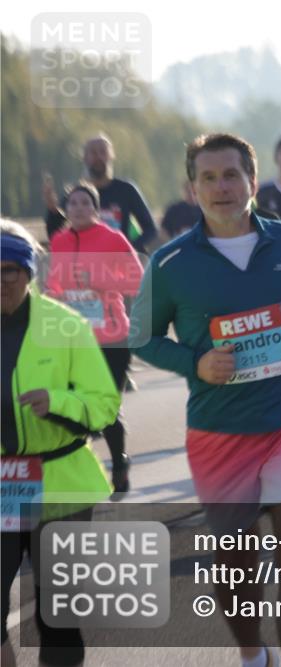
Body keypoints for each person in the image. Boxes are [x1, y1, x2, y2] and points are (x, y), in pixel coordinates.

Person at [129, 133, 281, 667]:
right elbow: (142, 337)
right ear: (192, 186)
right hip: (219, 429)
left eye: (231, 175)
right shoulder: (170, 263)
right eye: (208, 177)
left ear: (252, 179)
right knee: (234, 559)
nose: (221, 187)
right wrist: (193, 362)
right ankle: (252, 655)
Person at [2, 220, 120, 667]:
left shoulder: (64, 325)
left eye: (9, 270)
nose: (0, 280)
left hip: (62, 480)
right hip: (3, 482)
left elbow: (104, 405)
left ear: (28, 272)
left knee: (58, 613)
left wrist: (57, 401)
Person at [46, 181, 144, 496]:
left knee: (106, 406)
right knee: (76, 406)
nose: (78, 208)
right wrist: (51, 296)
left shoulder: (112, 239)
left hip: (112, 338)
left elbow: (136, 282)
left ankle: (119, 461)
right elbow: (54, 284)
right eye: (72, 203)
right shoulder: (59, 242)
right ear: (66, 209)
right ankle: (81, 470)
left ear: (96, 208)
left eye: (85, 203)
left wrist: (100, 281)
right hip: (73, 338)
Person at [43, 134, 158, 253]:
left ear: (111, 155)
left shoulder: (127, 190)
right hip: (86, 264)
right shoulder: (76, 194)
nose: (98, 157)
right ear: (85, 157)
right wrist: (53, 210)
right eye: (93, 153)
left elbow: (150, 229)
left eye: (103, 152)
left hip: (118, 265)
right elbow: (55, 235)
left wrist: (128, 250)